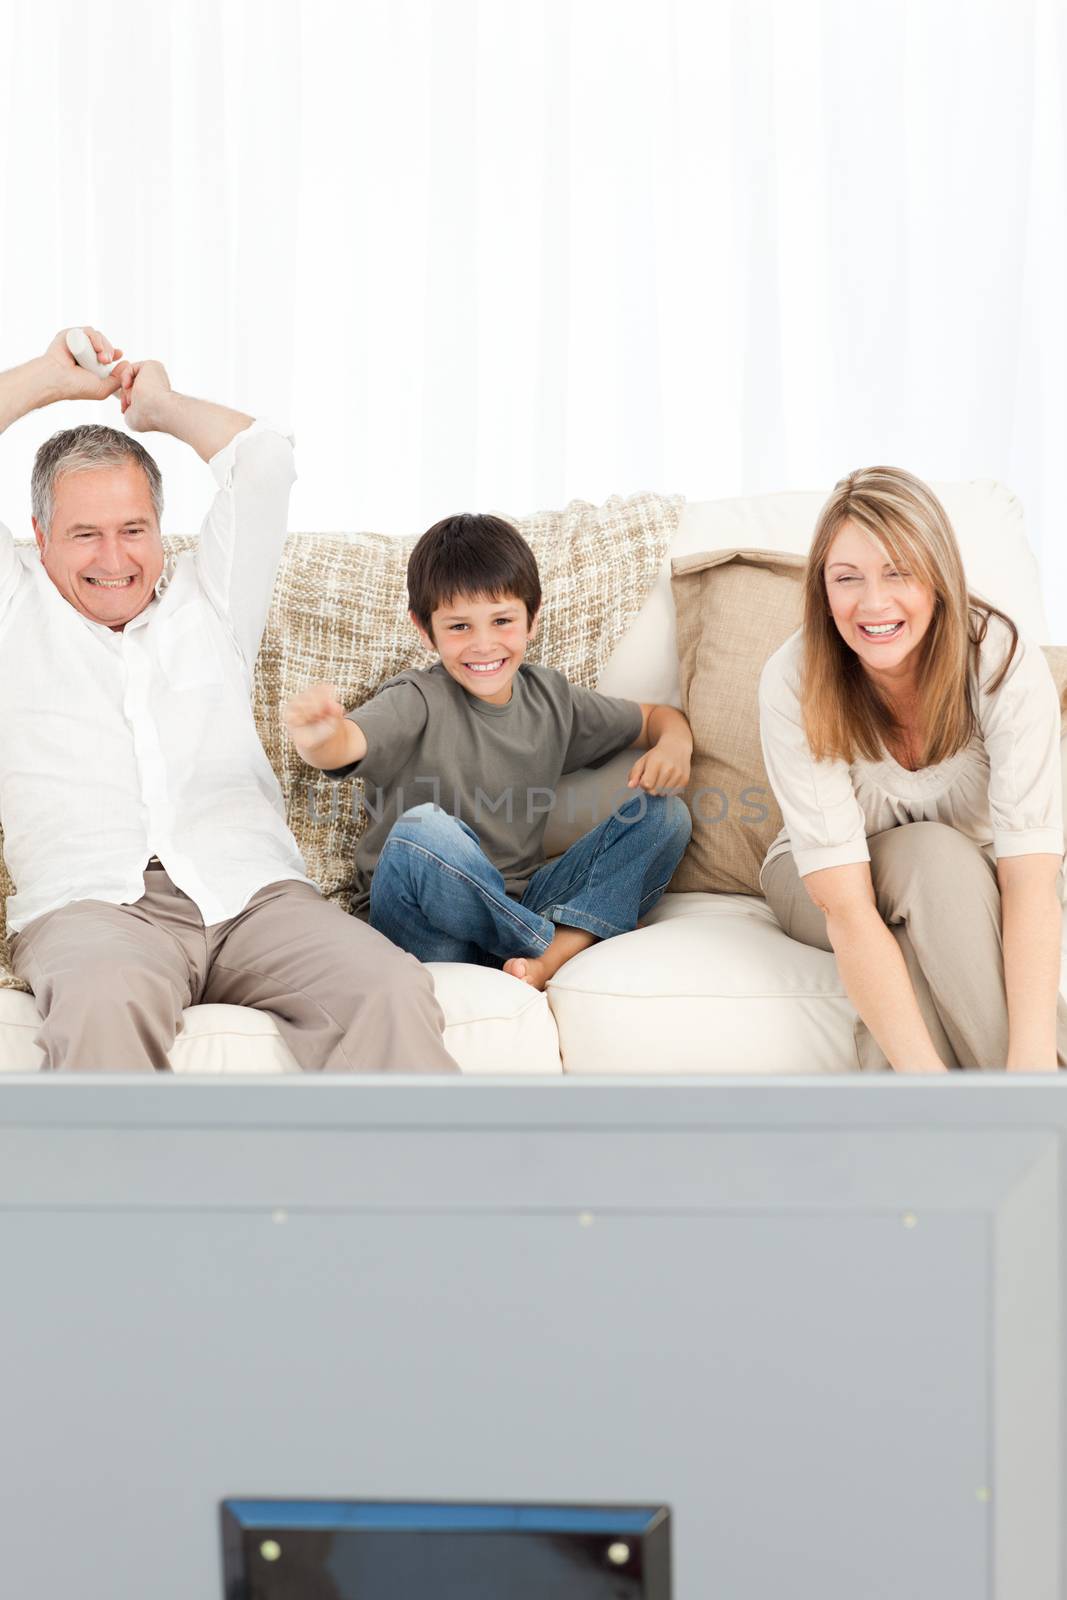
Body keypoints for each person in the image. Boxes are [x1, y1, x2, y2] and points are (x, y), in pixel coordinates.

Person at [0, 327, 457, 1073]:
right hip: (93, 909)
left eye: (133, 530)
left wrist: (162, 405)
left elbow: (264, 460)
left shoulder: (208, 601)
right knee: (103, 1004)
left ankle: (403, 1191)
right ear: (40, 536)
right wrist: (49, 381)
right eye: (85, 534)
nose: (114, 560)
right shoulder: (15, 611)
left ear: (159, 528)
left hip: (253, 897)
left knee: (389, 987)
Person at [283, 512, 693, 990]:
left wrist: (675, 744)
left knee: (667, 817)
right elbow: (346, 744)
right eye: (459, 627)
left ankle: (544, 942)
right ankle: (556, 946)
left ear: (532, 619)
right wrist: (319, 737)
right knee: (421, 829)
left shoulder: (551, 700)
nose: (483, 645)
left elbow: (654, 719)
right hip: (422, 927)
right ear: (424, 629)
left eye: (502, 620)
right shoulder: (416, 698)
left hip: (518, 899)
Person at [758, 465, 1067, 1072]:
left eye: (897, 572)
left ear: (939, 577)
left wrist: (1027, 1062)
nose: (873, 603)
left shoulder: (1000, 660)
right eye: (847, 578)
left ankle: (948, 1145)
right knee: (932, 856)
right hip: (821, 884)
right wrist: (934, 1085)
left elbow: (1031, 878)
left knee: (939, 883)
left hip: (970, 881)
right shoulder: (793, 678)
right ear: (823, 590)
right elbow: (846, 908)